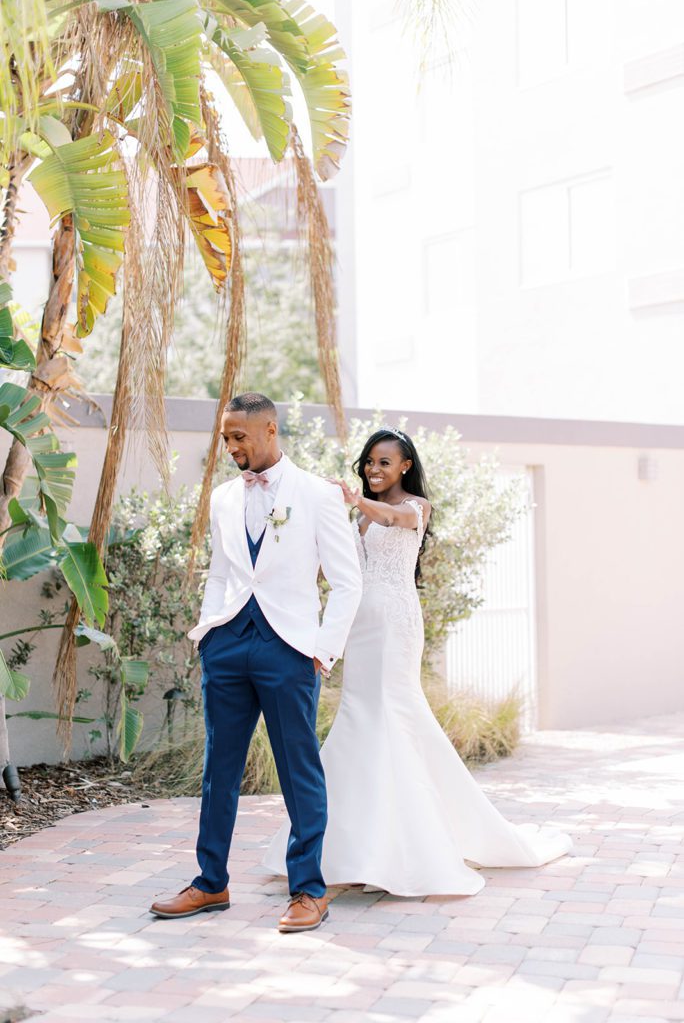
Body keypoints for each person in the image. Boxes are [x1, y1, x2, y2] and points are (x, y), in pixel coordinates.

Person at [263, 427, 572, 895]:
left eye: (384, 462)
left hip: (392, 627)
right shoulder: (358, 515)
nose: (373, 469)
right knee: (359, 719)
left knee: (391, 715)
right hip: (357, 627)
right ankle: (351, 848)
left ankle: (407, 848)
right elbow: (338, 566)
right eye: (369, 461)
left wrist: (354, 500)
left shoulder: (413, 508)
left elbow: (390, 517)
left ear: (405, 466)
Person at [150, 393, 362, 931]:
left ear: (270, 429)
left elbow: (346, 581)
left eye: (239, 436)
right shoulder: (224, 497)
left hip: (289, 648)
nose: (231, 447)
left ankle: (309, 890)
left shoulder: (316, 494)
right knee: (218, 769)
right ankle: (210, 882)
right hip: (227, 644)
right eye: (225, 438)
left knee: (299, 771)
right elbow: (221, 573)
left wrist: (321, 651)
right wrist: (208, 634)